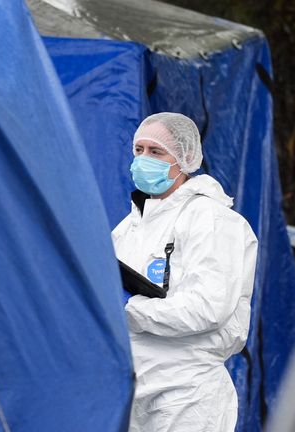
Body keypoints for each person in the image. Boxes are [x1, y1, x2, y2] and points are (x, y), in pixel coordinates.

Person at [112, 112, 258, 431]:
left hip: (188, 397)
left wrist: (126, 308)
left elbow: (206, 308)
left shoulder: (213, 221)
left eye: (156, 152)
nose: (143, 160)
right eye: (139, 150)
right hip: (134, 392)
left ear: (186, 158)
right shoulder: (128, 228)